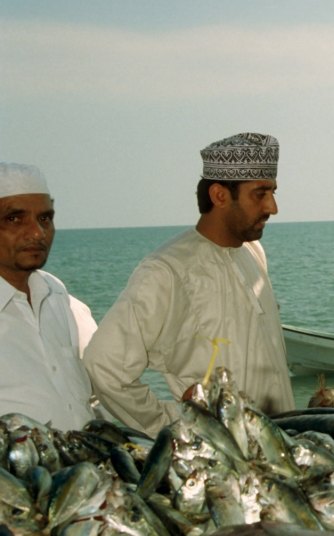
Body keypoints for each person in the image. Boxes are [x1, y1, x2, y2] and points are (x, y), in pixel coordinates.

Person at [83, 133, 295, 435]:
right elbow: (104, 366)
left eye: (273, 192)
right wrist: (172, 422)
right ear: (220, 196)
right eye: (260, 194)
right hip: (220, 460)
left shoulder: (252, 252)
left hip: (282, 444)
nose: (272, 207)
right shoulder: (166, 271)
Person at [0, 162, 97, 430]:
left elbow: (98, 390)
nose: (37, 233)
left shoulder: (58, 296)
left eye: (44, 218)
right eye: (13, 219)